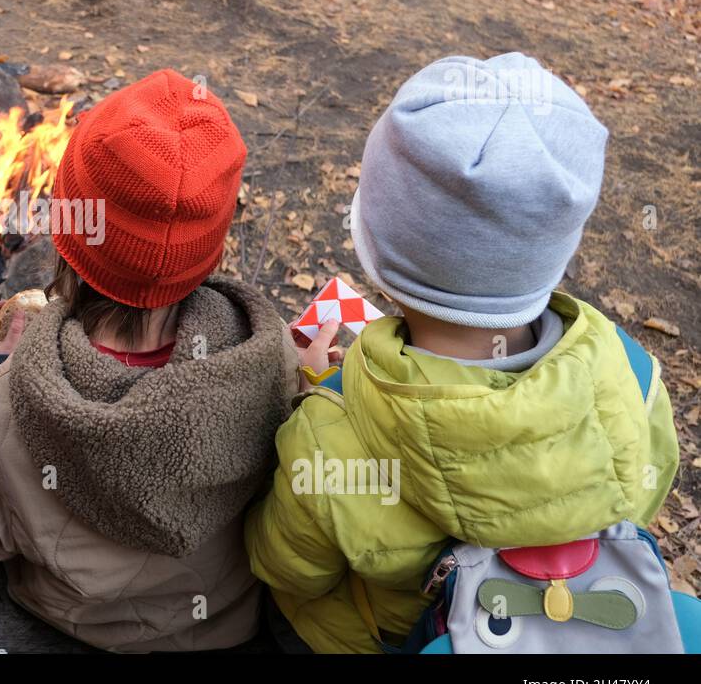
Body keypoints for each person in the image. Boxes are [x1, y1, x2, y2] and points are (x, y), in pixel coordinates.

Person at [244, 53, 681, 653]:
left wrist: (319, 396)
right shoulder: (634, 373)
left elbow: (285, 568)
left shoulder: (326, 437)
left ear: (377, 260)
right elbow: (643, 494)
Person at [0, 69, 300, 652]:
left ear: (71, 230)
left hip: (74, 624)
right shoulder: (270, 361)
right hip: (223, 627)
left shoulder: (6, 405)